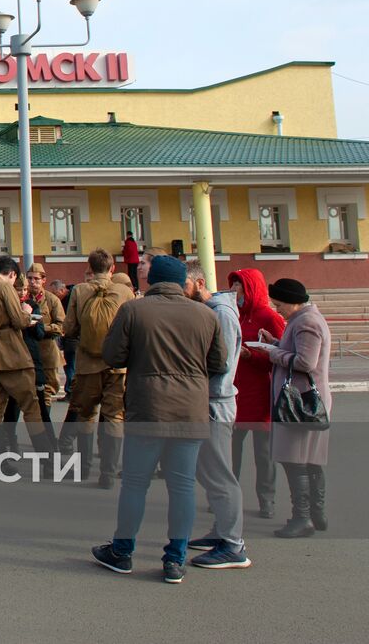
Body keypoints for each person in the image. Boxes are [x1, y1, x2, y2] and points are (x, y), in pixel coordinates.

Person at [89, 255, 225, 585]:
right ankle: (175, 559)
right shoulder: (206, 315)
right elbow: (219, 363)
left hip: (147, 407)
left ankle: (122, 551)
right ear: (181, 282)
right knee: (183, 487)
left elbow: (113, 355)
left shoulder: (134, 310)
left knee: (135, 484)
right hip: (190, 410)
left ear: (151, 281)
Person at [249, 278, 333, 538]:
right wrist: (275, 343)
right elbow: (297, 351)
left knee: (295, 460)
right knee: (310, 460)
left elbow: (306, 362)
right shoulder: (304, 319)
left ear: (293, 302)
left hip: (299, 403)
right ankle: (316, 513)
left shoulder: (306, 323)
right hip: (306, 402)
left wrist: (273, 354)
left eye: (279, 304)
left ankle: (302, 517)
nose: (278, 310)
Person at [181, 262, 251, 569]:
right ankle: (222, 532)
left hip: (215, 403)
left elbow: (220, 364)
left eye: (183, 286)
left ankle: (233, 545)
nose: (180, 293)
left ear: (199, 284)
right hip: (209, 401)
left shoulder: (220, 312)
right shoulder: (210, 310)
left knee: (220, 474)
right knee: (209, 472)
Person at [58, 249, 134, 487]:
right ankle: (108, 474)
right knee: (114, 417)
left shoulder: (80, 290)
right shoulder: (125, 292)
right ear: (112, 268)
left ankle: (83, 468)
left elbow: (69, 328)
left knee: (86, 415)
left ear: (90, 268)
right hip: (117, 366)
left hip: (87, 364)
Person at [0, 256, 53, 463]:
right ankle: (48, 460)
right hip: (11, 354)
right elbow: (18, 320)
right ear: (12, 274)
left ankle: (0, 459)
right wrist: (27, 312)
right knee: (31, 405)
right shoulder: (4, 288)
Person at [227, 268, 285, 519]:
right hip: (234, 392)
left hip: (261, 392)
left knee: (264, 453)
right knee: (230, 450)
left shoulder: (269, 317)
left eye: (238, 286)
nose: (234, 291)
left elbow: (279, 356)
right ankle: (227, 496)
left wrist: (251, 355)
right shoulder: (232, 315)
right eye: (232, 285)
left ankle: (266, 500)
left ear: (250, 288)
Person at [24, 262, 66, 417]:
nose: (32, 282)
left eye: (36, 279)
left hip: (47, 352)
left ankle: (45, 425)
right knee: (26, 393)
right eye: (29, 278)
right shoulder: (22, 298)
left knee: (47, 392)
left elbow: (61, 326)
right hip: (27, 352)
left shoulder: (52, 300)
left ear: (43, 280)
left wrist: (40, 327)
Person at [49, 279, 75, 396]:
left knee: (70, 365)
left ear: (62, 290)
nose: (54, 296)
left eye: (55, 293)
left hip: (73, 337)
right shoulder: (64, 299)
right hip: (68, 336)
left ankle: (71, 391)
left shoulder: (73, 297)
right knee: (69, 364)